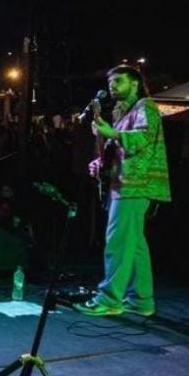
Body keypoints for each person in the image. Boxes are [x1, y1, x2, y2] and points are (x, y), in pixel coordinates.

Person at [76, 65, 171, 317]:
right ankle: (141, 300)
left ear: (135, 84)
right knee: (135, 244)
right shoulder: (123, 110)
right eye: (111, 82)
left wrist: (113, 133)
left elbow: (142, 139)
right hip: (125, 182)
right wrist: (101, 159)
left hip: (135, 184)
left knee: (118, 242)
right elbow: (119, 145)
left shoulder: (146, 106)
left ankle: (110, 299)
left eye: (119, 81)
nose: (112, 86)